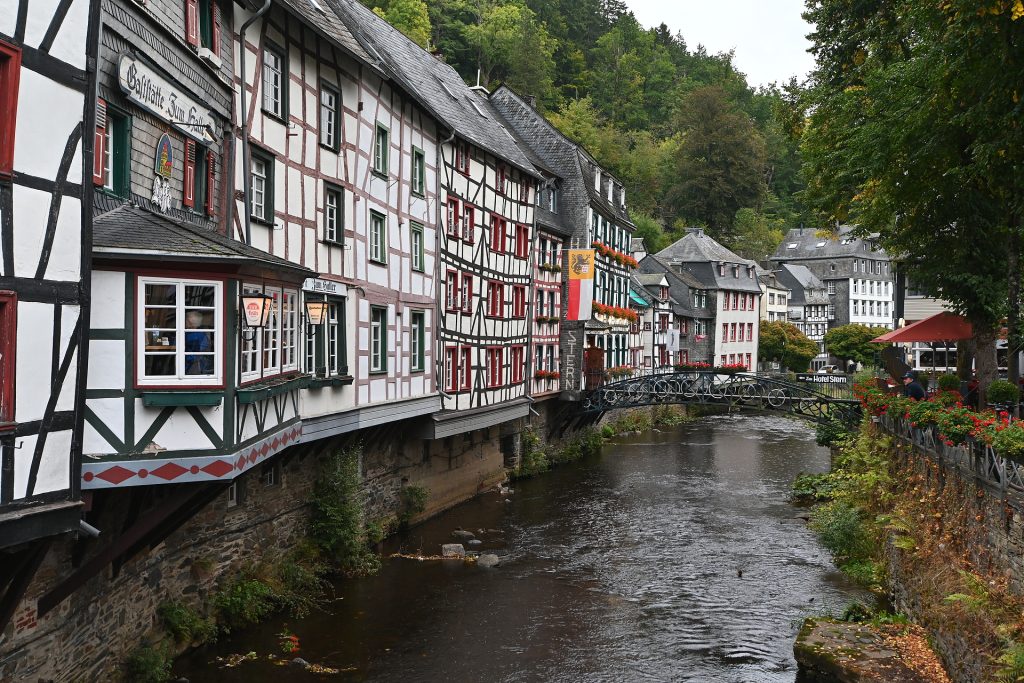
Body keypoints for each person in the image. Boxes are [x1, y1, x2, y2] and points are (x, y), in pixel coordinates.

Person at [184, 310, 212, 375]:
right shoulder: (201, 334)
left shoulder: (192, 335)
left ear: (190, 322)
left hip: (192, 367)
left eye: (186, 320)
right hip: (200, 365)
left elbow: (196, 354)